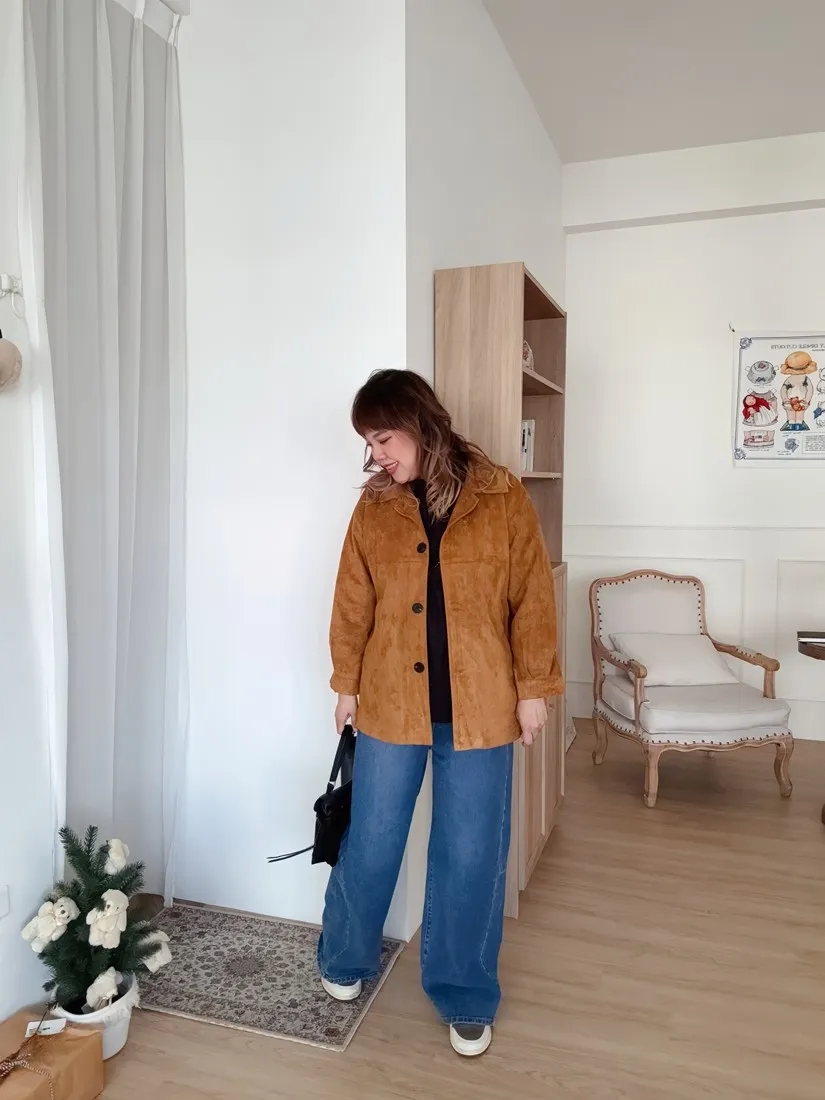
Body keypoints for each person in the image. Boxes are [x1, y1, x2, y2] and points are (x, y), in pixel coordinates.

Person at [318, 368, 563, 1057]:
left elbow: (531, 598)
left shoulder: (501, 496)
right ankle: (344, 955)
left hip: (482, 704)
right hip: (390, 699)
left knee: (472, 850)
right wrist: (346, 684)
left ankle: (463, 990)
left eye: (383, 439)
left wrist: (533, 688)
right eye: (369, 444)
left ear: (419, 424)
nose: (376, 456)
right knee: (372, 836)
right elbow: (351, 600)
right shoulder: (374, 509)